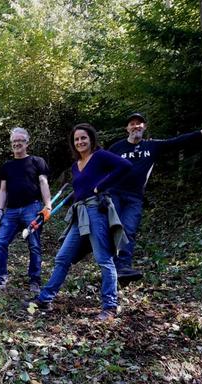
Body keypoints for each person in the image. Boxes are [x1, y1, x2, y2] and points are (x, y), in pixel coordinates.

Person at [32, 123, 132, 321]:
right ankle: (45, 299)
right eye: (76, 139)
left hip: (96, 210)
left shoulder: (100, 156)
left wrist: (101, 186)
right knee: (62, 257)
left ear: (91, 139)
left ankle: (110, 307)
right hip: (80, 213)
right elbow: (80, 189)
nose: (80, 142)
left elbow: (125, 166)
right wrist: (70, 199)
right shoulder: (75, 166)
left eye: (83, 138)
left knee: (104, 258)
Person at [108, 113, 202, 283]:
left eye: (140, 124)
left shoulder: (152, 146)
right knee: (114, 228)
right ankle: (109, 265)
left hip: (135, 197)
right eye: (132, 124)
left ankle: (123, 268)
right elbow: (100, 166)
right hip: (113, 193)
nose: (136, 126)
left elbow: (177, 141)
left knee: (128, 228)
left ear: (145, 127)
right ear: (127, 128)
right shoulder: (116, 148)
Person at [0, 127, 52, 295]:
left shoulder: (37, 161)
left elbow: (43, 183)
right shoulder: (7, 166)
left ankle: (35, 281)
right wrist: (0, 209)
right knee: (1, 242)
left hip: (33, 207)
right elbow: (3, 190)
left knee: (34, 245)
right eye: (14, 141)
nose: (16, 144)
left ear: (27, 143)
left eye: (20, 141)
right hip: (11, 212)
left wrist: (48, 206)